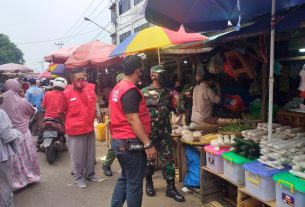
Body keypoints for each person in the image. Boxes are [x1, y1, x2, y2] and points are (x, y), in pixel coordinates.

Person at [109, 55, 156, 207]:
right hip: (130, 143)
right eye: (142, 69)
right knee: (135, 183)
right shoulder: (130, 90)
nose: (143, 72)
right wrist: (148, 144)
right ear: (137, 70)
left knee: (126, 177)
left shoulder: (117, 88)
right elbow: (133, 120)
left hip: (120, 141)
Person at [141, 65, 185, 202]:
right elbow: (138, 114)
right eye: (160, 74)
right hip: (149, 133)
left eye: (164, 74)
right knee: (150, 160)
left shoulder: (169, 93)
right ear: (152, 76)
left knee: (168, 160)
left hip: (165, 132)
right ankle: (149, 183)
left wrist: (179, 98)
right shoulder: (143, 92)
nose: (163, 77)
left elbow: (179, 110)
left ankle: (171, 188)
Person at [62, 68, 100, 188]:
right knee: (77, 157)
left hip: (89, 127)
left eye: (83, 78)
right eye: (78, 79)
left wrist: (97, 112)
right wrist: (69, 123)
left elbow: (95, 102)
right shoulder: (66, 93)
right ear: (72, 80)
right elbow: (61, 112)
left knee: (90, 154)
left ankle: (90, 174)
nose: (81, 81)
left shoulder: (90, 89)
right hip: (75, 130)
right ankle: (78, 177)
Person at [0, 79, 40, 190]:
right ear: (18, 87)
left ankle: (16, 181)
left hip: (7, 135)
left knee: (14, 160)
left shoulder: (1, 100)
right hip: (23, 135)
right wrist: (23, 97)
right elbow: (32, 110)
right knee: (27, 157)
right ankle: (30, 177)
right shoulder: (22, 101)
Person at [0, 96, 22, 207]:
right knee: (4, 185)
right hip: (1, 156)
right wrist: (16, 133)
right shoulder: (1, 113)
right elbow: (6, 134)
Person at [102, 73, 125, 177]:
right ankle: (106, 164)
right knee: (115, 146)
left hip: (125, 123)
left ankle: (124, 168)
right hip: (117, 123)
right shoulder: (115, 92)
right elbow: (112, 108)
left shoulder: (126, 90)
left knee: (125, 146)